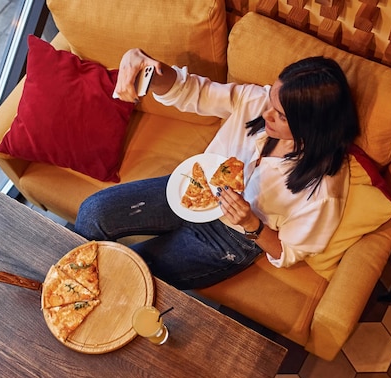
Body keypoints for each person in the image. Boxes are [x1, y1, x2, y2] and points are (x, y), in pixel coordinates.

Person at [74, 48, 360, 290]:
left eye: (281, 116)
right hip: (196, 188)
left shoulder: (324, 189)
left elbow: (286, 251)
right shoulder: (257, 102)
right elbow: (191, 91)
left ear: (312, 126)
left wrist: (251, 224)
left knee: (129, 274)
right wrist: (148, 66)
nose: (266, 114)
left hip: (231, 237)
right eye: (271, 100)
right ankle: (70, 285)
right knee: (93, 212)